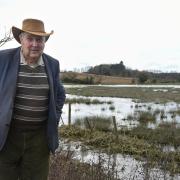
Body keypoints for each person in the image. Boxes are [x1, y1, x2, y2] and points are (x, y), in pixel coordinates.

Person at [0, 18, 66, 180]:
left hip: (39, 140)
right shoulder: (3, 59)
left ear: (44, 42)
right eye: (30, 39)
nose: (35, 44)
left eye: (39, 39)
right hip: (7, 136)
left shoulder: (52, 64)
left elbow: (60, 94)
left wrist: (54, 118)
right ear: (21, 39)